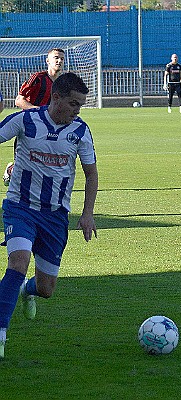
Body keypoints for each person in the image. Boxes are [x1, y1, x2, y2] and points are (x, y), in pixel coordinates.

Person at [0, 72, 98, 358]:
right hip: (20, 208)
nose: (77, 110)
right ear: (56, 98)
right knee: (18, 262)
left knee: (45, 289)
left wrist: (87, 213)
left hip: (55, 217)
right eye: (74, 103)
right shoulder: (26, 121)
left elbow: (91, 174)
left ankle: (25, 291)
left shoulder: (80, 131)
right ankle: (1, 333)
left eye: (80, 105)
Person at [3, 48, 65, 186]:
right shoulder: (38, 78)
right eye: (56, 57)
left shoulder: (63, 84)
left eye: (61, 58)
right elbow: (19, 100)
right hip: (29, 126)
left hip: (49, 129)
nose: (59, 61)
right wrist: (38, 111)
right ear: (48, 61)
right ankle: (11, 171)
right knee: (24, 166)